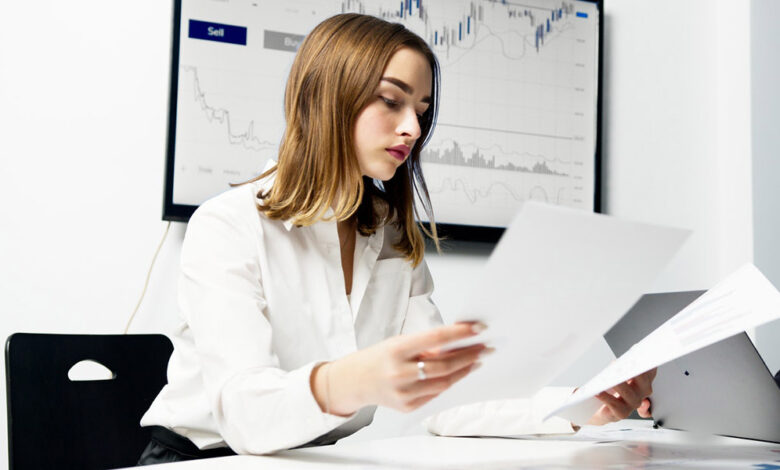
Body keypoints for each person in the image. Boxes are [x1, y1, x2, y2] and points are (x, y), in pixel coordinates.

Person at [138, 13, 654, 464]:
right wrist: (354, 379)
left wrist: (582, 405)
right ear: (328, 97)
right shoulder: (228, 225)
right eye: (391, 100)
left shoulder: (388, 234)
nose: (412, 127)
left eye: (423, 111)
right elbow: (245, 417)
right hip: (199, 460)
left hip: (315, 461)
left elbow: (444, 399)